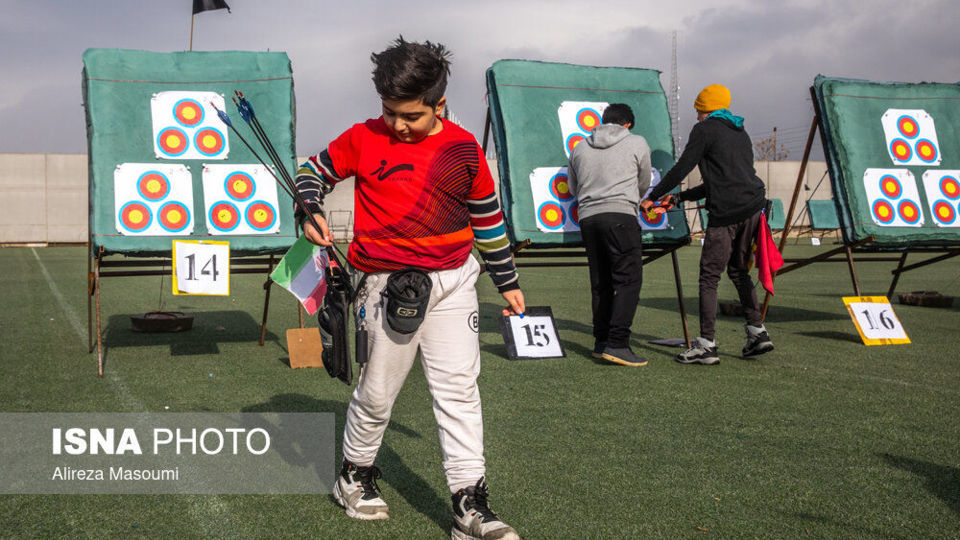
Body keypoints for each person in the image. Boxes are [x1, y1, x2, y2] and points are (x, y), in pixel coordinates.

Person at [295, 37, 523, 540]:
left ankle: (470, 506)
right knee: (377, 394)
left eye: (411, 116)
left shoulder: (464, 149)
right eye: (389, 111)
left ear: (440, 104)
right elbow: (312, 171)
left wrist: (507, 279)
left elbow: (487, 218)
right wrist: (308, 208)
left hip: (454, 282)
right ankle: (354, 475)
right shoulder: (362, 136)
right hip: (385, 286)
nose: (398, 125)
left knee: (459, 391)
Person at [642, 84, 774, 366]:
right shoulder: (740, 130)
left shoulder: (704, 130)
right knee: (739, 272)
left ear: (703, 109)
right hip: (753, 207)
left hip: (727, 214)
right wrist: (677, 198)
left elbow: (682, 168)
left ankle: (706, 345)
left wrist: (652, 196)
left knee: (709, 276)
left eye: (698, 110)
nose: (697, 116)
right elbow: (719, 181)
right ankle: (757, 332)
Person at [567, 103, 651, 366]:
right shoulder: (637, 142)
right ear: (627, 124)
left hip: (589, 218)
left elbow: (572, 187)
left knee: (601, 282)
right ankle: (617, 343)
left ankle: (601, 341)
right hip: (621, 217)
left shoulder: (580, 147)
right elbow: (644, 182)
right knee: (628, 281)